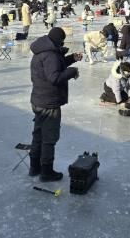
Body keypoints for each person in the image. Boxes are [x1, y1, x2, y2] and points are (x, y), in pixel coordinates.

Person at [28, 27, 82, 182]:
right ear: (58, 40)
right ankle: (46, 172)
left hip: (39, 100)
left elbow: (54, 66)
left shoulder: (43, 50)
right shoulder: (50, 55)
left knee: (38, 135)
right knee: (49, 138)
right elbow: (54, 77)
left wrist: (71, 58)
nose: (62, 44)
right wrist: (72, 71)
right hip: (49, 103)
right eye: (62, 41)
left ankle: (34, 167)